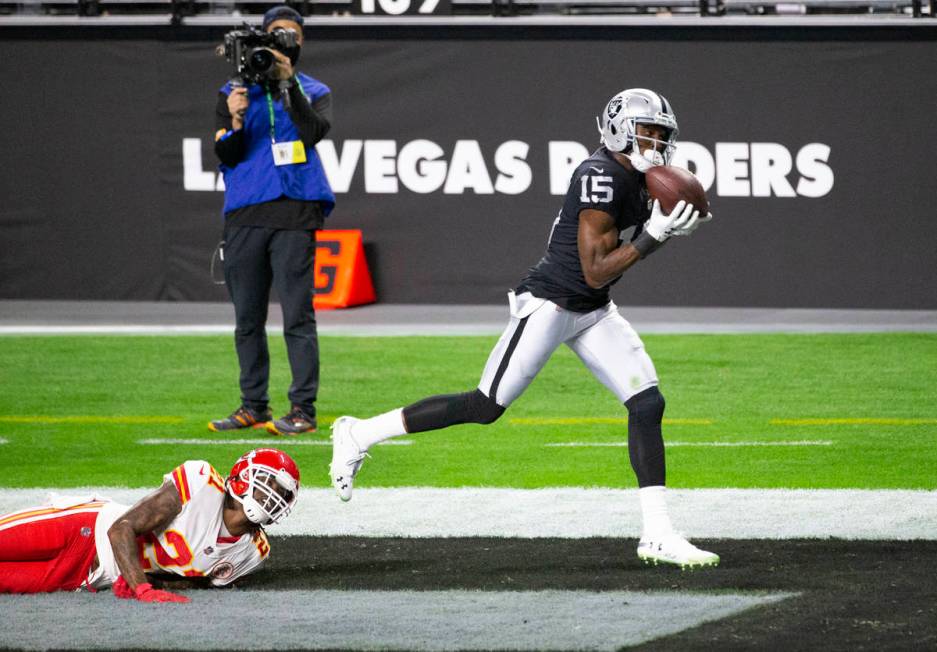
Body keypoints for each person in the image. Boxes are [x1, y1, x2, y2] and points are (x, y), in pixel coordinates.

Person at [329, 89, 718, 568]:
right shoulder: (598, 175)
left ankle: (657, 534)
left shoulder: (639, 176)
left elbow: (602, 278)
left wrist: (672, 222)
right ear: (620, 129)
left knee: (647, 402)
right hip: (551, 304)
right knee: (485, 405)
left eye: (663, 135)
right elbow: (596, 268)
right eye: (648, 131)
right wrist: (655, 236)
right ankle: (359, 433)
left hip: (593, 308)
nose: (656, 143)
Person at [209, 5, 335, 436]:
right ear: (262, 38)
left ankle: (303, 409)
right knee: (247, 317)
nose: (285, 39)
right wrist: (236, 117)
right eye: (277, 33)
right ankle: (253, 405)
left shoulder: (313, 89)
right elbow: (226, 153)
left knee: (298, 315)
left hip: (295, 210)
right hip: (245, 212)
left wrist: (287, 83)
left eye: (292, 33)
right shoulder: (232, 91)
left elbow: (314, 131)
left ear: (300, 42)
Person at [0, 448, 300, 598]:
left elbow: (194, 582)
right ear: (243, 476)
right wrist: (142, 588)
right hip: (83, 529)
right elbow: (121, 527)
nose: (275, 497)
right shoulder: (202, 483)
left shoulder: (253, 552)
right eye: (269, 485)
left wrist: (149, 581)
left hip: (87, 576)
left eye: (283, 494)